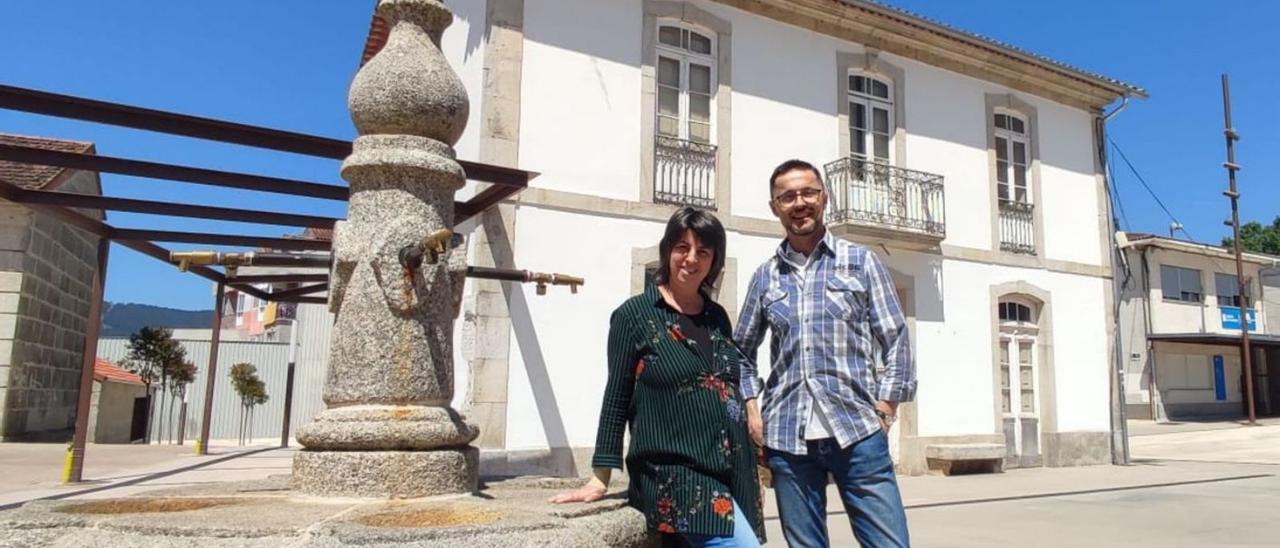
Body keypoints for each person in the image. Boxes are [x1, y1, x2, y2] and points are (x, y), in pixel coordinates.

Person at [550, 207, 764, 547]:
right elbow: (617, 395)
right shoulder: (634, 315)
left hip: (730, 467)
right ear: (667, 250)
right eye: (682, 247)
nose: (691, 258)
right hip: (673, 471)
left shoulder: (717, 316)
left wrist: (751, 453)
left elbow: (729, 386)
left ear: (714, 262)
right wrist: (600, 477)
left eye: (703, 251)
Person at [736, 159, 916, 547]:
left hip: (858, 433)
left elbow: (897, 338)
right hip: (787, 438)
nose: (799, 203)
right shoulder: (765, 277)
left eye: (808, 193)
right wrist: (752, 409)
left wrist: (886, 407)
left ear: (824, 198)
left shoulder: (861, 261)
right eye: (788, 196)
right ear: (775, 207)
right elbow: (740, 352)